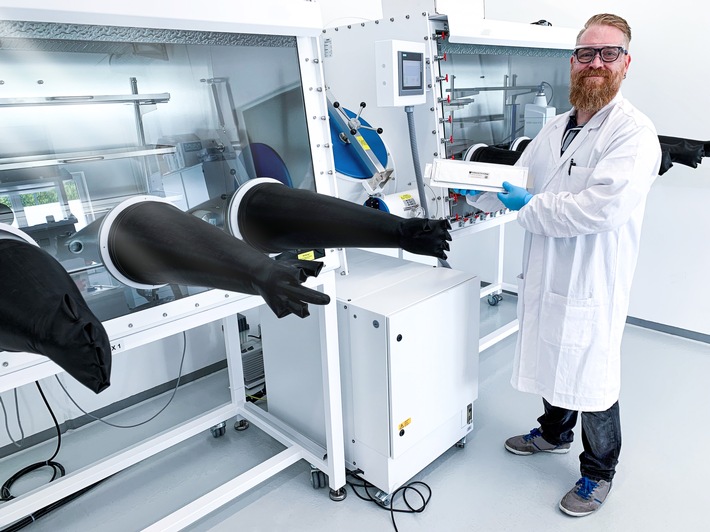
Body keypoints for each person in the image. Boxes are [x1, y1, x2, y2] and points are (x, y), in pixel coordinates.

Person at [495, 13, 661, 516]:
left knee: (592, 376)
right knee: (553, 354)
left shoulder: (633, 133)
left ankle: (598, 472)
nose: (596, 63)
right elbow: (521, 177)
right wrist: (473, 191)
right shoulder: (556, 127)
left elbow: (600, 208)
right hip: (548, 268)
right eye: (587, 54)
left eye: (608, 54)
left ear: (626, 63)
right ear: (572, 62)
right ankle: (553, 433)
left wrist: (529, 205)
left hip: (592, 276)